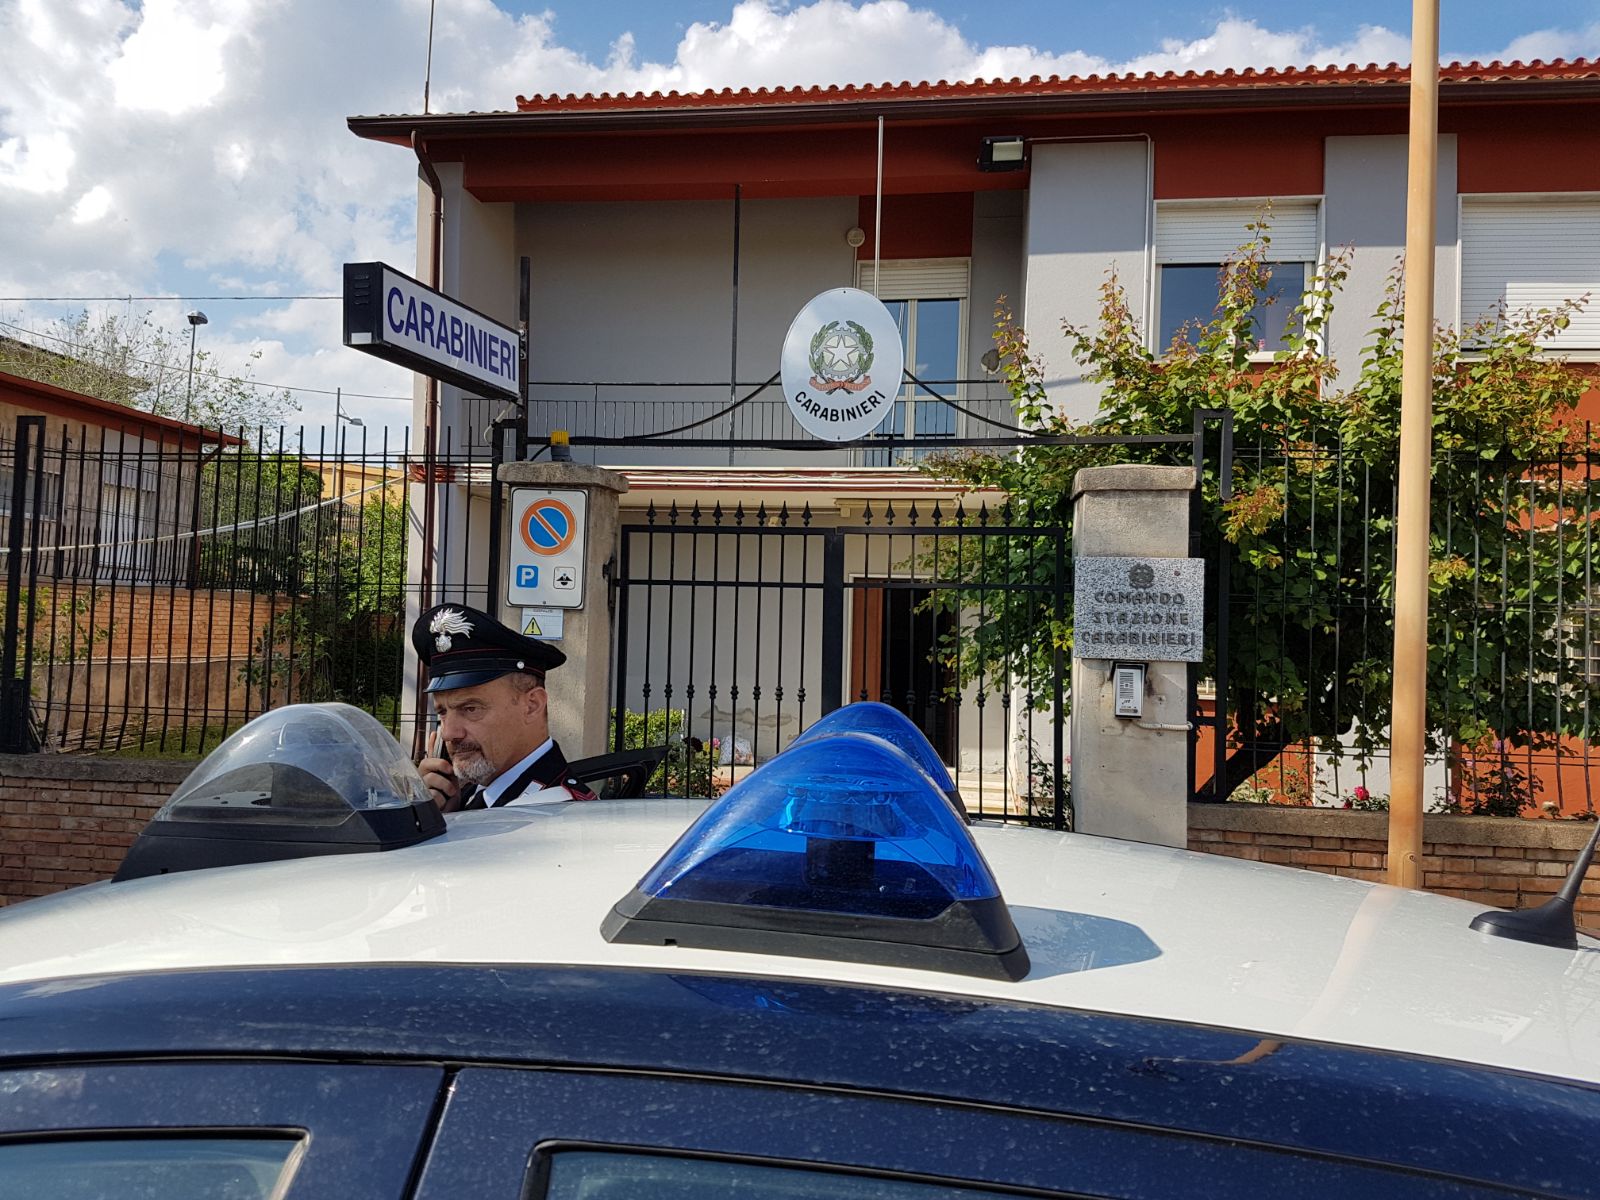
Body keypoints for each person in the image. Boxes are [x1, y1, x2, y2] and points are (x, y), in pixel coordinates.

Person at [411, 603, 597, 811]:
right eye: (443, 712)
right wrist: (441, 817)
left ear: (532, 705)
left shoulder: (561, 814)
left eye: (470, 708)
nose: (448, 733)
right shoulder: (470, 797)